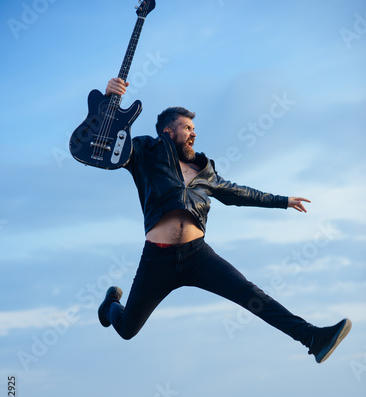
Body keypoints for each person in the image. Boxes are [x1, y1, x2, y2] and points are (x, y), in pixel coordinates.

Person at [98, 77, 351, 363]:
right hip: (158, 259)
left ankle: (313, 337)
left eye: (194, 128)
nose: (193, 133)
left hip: (197, 256)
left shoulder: (204, 171)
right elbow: (104, 145)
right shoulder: (144, 152)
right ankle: (110, 307)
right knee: (128, 329)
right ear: (168, 131)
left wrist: (282, 201)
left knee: (251, 295)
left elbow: (238, 193)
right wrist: (109, 102)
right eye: (187, 127)